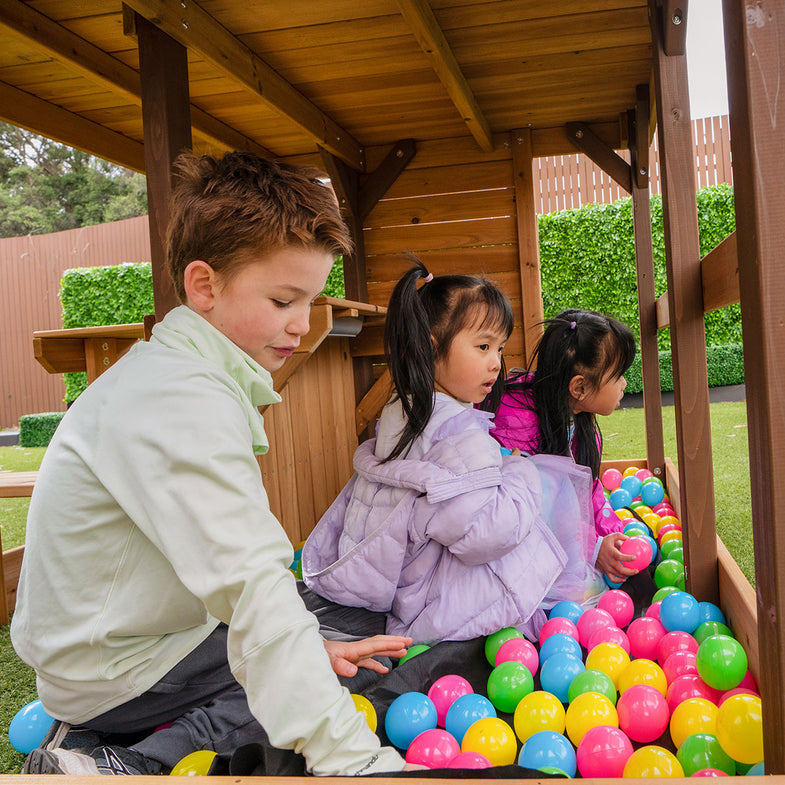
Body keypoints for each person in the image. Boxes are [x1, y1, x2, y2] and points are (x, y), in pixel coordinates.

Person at [10, 151, 417, 777]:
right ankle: (129, 763)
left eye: (309, 301)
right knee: (308, 658)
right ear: (205, 285)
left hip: (129, 644)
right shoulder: (179, 398)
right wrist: (355, 759)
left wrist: (307, 646)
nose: (302, 325)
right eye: (284, 300)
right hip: (111, 672)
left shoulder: (187, 375)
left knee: (327, 631)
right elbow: (249, 583)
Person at [302, 261, 604, 644]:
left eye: (499, 348)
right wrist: (519, 470)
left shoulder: (404, 408)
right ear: (431, 346)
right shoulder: (458, 431)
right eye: (482, 346)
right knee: (543, 498)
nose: (496, 362)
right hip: (432, 600)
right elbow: (490, 533)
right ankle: (576, 592)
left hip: (401, 577)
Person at [488, 308, 639, 584]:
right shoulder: (517, 426)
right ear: (579, 388)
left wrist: (610, 536)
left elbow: (587, 489)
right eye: (617, 376)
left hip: (559, 537)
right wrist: (593, 548)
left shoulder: (581, 424)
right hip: (516, 551)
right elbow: (541, 511)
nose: (624, 384)